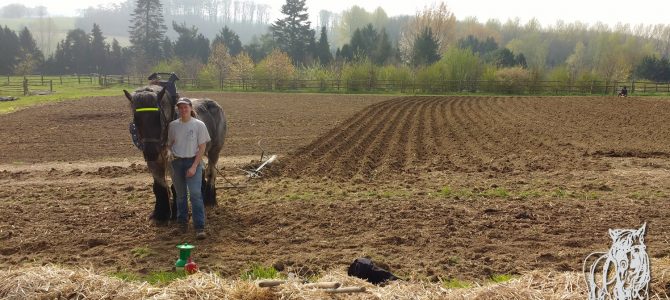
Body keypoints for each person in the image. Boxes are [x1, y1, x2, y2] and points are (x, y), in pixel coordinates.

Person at [168, 97, 211, 239]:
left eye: (185, 107)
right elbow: (169, 143)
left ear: (191, 108)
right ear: (178, 110)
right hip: (176, 163)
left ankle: (199, 227)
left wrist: (194, 166)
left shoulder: (199, 125)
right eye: (180, 108)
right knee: (180, 196)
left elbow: (202, 147)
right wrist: (168, 151)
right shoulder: (173, 126)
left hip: (193, 162)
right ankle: (182, 224)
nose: (183, 110)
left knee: (195, 194)